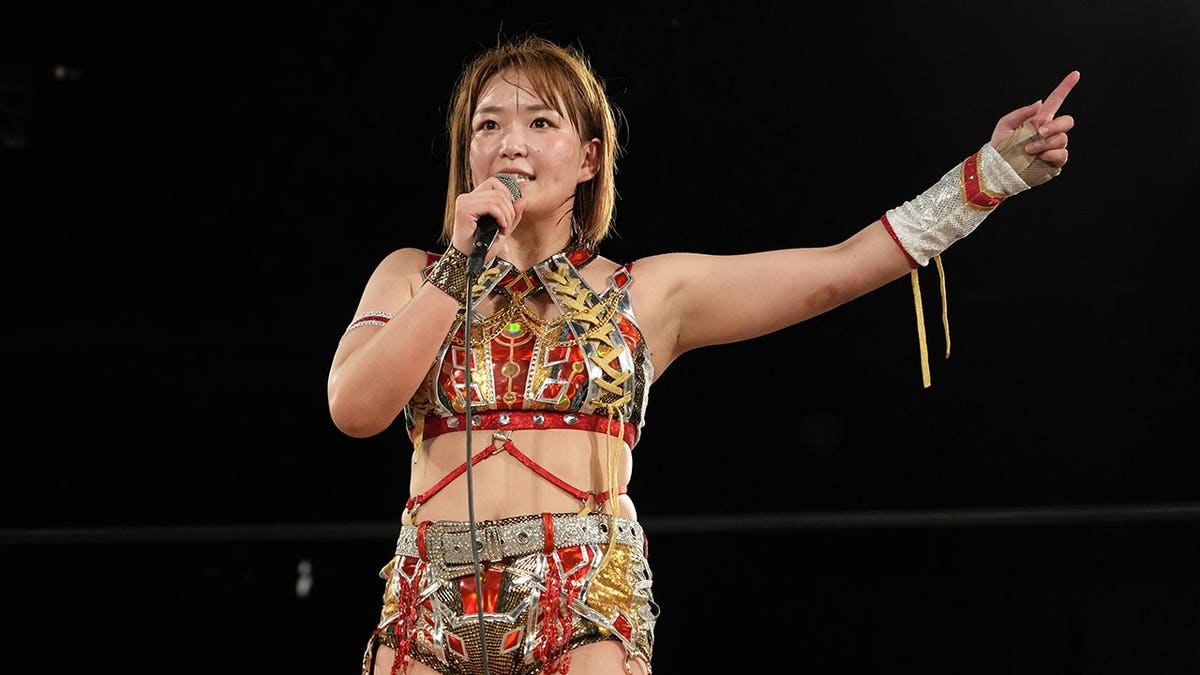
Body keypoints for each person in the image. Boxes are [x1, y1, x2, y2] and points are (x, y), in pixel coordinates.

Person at [327, 33, 1079, 675]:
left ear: (588, 158)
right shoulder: (408, 274)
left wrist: (992, 175)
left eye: (540, 121)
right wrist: (458, 266)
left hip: (584, 597)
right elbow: (355, 410)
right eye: (487, 125)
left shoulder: (650, 293)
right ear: (467, 156)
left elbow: (836, 269)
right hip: (425, 595)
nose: (511, 142)